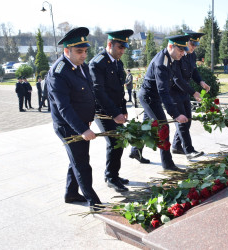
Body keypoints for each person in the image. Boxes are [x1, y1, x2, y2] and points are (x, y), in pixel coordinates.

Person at [45, 27, 101, 211]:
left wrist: (90, 118)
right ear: (66, 50)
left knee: (77, 159)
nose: (84, 55)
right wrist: (82, 129)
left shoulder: (81, 66)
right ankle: (93, 201)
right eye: (79, 51)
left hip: (82, 123)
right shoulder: (58, 73)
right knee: (82, 163)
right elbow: (64, 108)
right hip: (68, 126)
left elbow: (89, 93)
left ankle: (70, 193)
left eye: (85, 51)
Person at [129, 35, 190, 171]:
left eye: (183, 50)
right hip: (149, 98)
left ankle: (135, 150)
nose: (183, 53)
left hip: (154, 96)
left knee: (149, 126)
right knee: (163, 128)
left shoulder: (172, 58)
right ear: (170, 47)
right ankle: (167, 164)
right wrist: (175, 114)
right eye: (180, 50)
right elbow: (163, 91)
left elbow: (173, 80)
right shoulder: (161, 63)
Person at [89, 29, 133, 192]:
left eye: (124, 48)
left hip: (115, 109)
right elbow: (98, 91)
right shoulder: (97, 63)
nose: (122, 51)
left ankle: (113, 174)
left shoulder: (118, 63)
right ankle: (111, 177)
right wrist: (115, 113)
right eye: (120, 47)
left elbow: (119, 90)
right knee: (114, 142)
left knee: (119, 141)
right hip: (102, 110)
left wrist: (123, 109)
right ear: (110, 44)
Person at [171, 31, 211, 160]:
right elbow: (177, 79)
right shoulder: (178, 55)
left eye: (196, 45)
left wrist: (201, 81)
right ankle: (189, 150)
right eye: (192, 44)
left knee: (187, 120)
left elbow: (194, 71)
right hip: (174, 91)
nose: (194, 47)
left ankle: (176, 146)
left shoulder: (191, 56)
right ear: (186, 43)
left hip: (184, 91)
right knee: (182, 121)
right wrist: (193, 92)